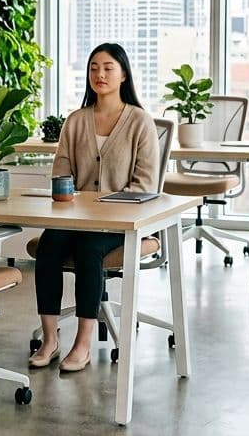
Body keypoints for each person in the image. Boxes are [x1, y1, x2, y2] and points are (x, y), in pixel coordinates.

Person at [28, 43, 159, 373]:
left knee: (89, 250)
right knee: (49, 245)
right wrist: (73, 203)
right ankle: (50, 339)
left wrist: (98, 208)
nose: (99, 74)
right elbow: (61, 172)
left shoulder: (140, 122)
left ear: (124, 74)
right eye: (93, 68)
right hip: (76, 219)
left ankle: (83, 344)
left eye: (108, 68)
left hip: (121, 223)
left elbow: (144, 186)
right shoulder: (76, 121)